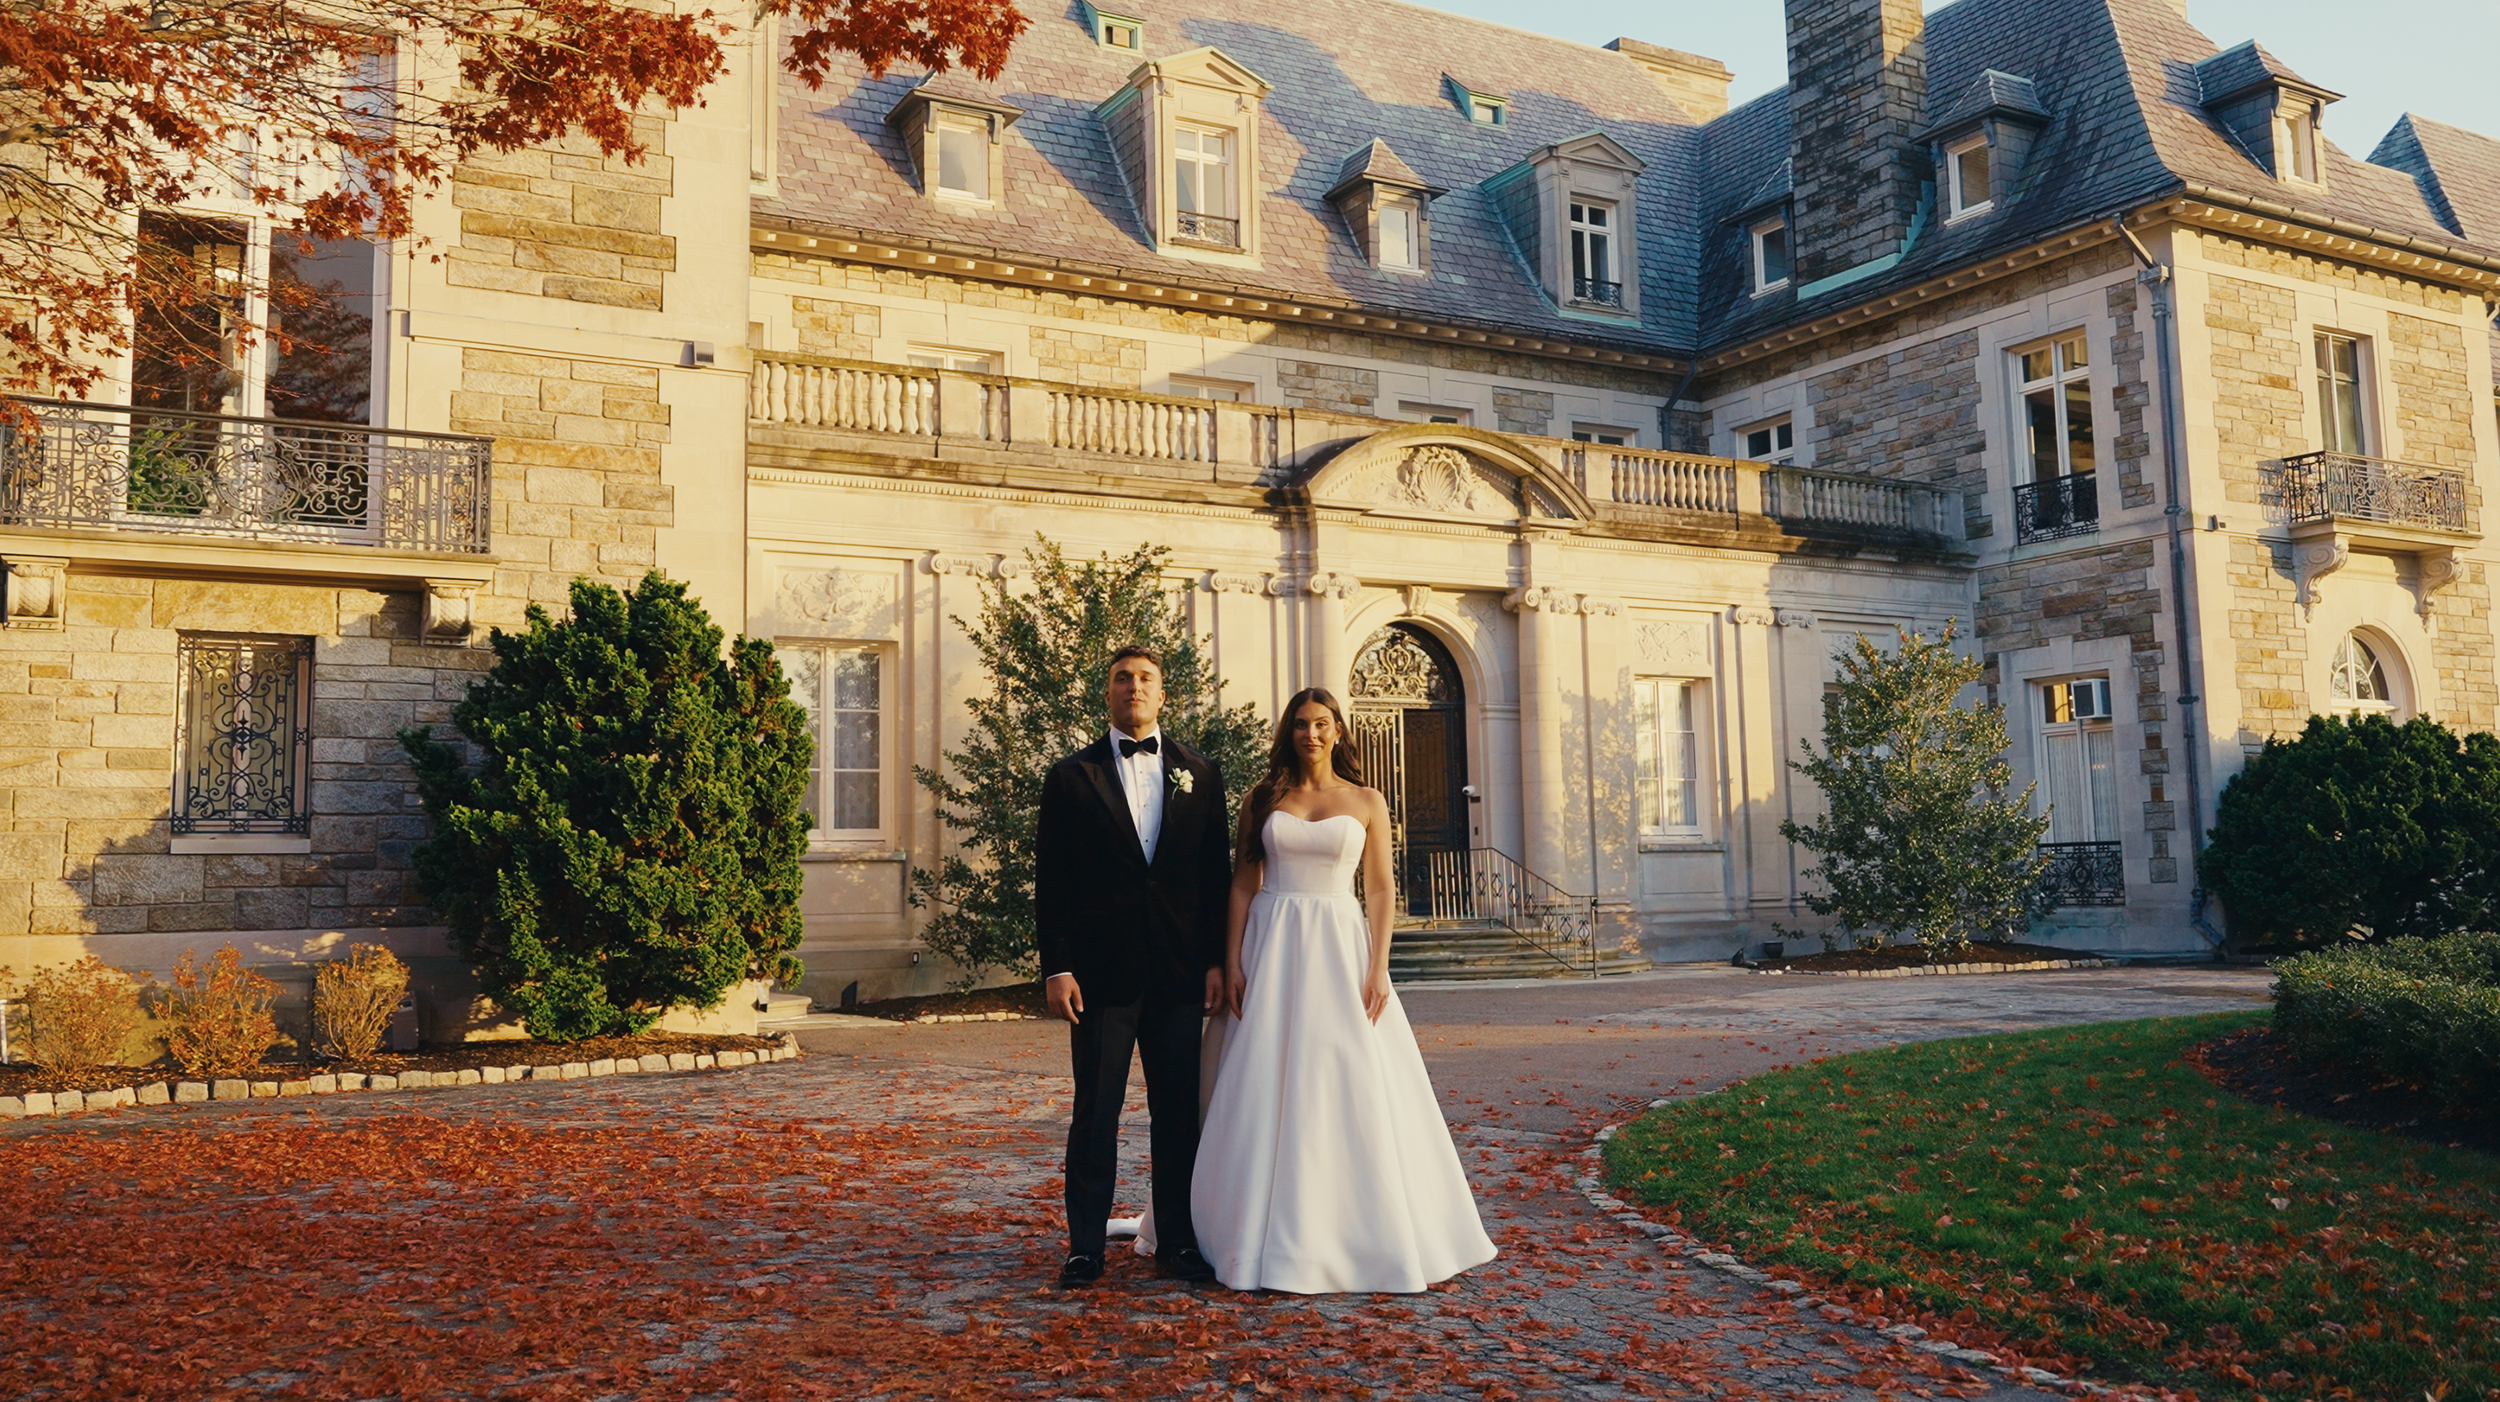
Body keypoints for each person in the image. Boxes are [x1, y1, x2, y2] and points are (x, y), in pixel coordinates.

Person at [1184, 687, 1498, 1293]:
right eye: (1301, 724)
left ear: (1338, 731)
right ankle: (1246, 1225)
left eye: (1322, 723)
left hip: (1337, 944)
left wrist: (1379, 967)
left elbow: (1380, 890)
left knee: (1342, 1073)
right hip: (1271, 946)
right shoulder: (1263, 798)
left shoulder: (1367, 800)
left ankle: (1355, 1227)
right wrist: (1233, 959)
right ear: (1289, 732)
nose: (1311, 734)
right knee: (1262, 1077)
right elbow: (1244, 886)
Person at [1033, 646, 1231, 1289]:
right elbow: (1051, 881)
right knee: (1096, 1112)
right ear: (1108, 692)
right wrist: (1057, 966)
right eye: (1122, 678)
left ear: (1163, 694)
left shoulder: (1202, 773)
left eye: (1145, 679)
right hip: (1099, 977)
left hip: (1178, 977)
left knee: (1179, 1113)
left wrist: (1214, 962)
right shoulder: (1070, 777)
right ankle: (1085, 1245)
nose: (1133, 688)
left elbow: (1214, 878)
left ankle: (1177, 1241)